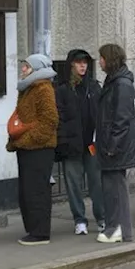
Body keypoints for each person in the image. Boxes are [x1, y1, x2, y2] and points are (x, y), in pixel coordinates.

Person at [7, 54, 59, 244]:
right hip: (28, 147)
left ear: (36, 68)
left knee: (36, 191)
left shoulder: (43, 88)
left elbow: (50, 120)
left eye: (27, 66)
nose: (23, 69)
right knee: (28, 190)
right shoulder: (29, 87)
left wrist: (29, 139)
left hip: (39, 148)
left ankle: (40, 232)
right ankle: (33, 229)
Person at [95, 44, 135, 244]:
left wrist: (112, 146)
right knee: (111, 187)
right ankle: (117, 228)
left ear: (110, 59)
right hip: (111, 144)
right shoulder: (115, 81)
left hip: (116, 146)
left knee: (115, 188)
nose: (100, 62)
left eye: (102, 58)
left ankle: (118, 229)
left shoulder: (121, 84)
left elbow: (121, 119)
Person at [55, 49, 104, 236]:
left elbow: (101, 114)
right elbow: (60, 118)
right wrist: (63, 142)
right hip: (72, 145)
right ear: (71, 65)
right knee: (73, 184)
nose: (82, 65)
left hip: (92, 145)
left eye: (85, 62)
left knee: (96, 183)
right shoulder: (63, 89)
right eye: (78, 62)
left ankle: (101, 217)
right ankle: (79, 219)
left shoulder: (93, 87)